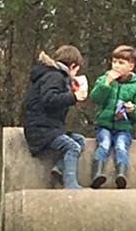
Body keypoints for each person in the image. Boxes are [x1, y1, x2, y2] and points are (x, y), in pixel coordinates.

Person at [20, 45, 88, 190]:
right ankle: (71, 185)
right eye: (76, 70)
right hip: (40, 129)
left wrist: (69, 92)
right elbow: (49, 100)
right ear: (72, 66)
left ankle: (59, 169)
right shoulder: (54, 76)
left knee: (80, 140)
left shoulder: (52, 76)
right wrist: (73, 97)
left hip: (49, 127)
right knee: (72, 147)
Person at [89, 44, 136, 189]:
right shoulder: (104, 79)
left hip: (123, 127)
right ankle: (97, 174)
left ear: (131, 66)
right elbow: (95, 98)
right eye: (114, 62)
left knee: (121, 146)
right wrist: (106, 83)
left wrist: (133, 109)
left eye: (121, 63)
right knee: (104, 143)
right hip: (104, 124)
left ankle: (121, 174)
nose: (116, 65)